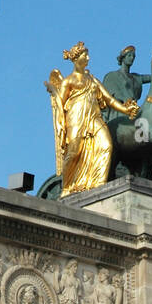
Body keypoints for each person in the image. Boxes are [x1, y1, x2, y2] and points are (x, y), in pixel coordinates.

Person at [45, 41, 140, 194]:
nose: (88, 58)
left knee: (106, 145)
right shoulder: (69, 81)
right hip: (76, 119)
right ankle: (67, 186)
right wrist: (60, 123)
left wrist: (125, 109)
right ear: (77, 59)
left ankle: (98, 184)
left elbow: (108, 99)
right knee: (74, 152)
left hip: (94, 117)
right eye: (85, 55)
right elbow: (60, 105)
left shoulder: (92, 80)